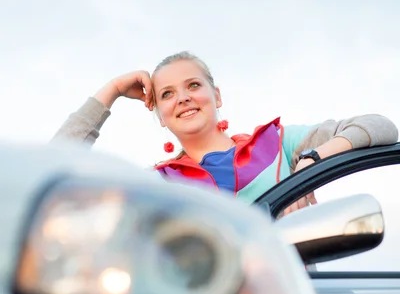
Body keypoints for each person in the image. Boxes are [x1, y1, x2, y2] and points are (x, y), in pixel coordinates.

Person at [53, 51, 398, 214]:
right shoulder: (158, 183)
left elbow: (381, 127)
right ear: (159, 115)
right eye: (168, 94)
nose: (184, 97)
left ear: (216, 96)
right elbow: (55, 170)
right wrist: (111, 90)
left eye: (193, 85)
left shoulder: (278, 144)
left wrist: (311, 163)